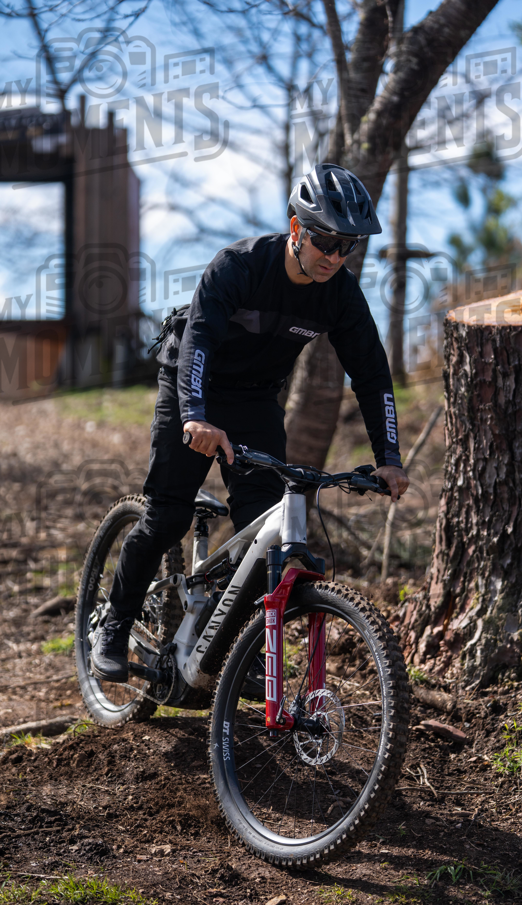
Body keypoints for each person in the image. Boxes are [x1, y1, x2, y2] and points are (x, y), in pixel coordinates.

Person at [91, 163, 409, 682]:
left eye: (346, 246)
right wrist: (194, 417)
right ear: (296, 229)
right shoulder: (237, 267)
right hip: (193, 379)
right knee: (168, 514)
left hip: (255, 400)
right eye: (325, 240)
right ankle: (115, 624)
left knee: (266, 532)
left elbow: (373, 377)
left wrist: (389, 457)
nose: (334, 256)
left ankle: (240, 652)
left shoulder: (340, 294)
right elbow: (198, 344)